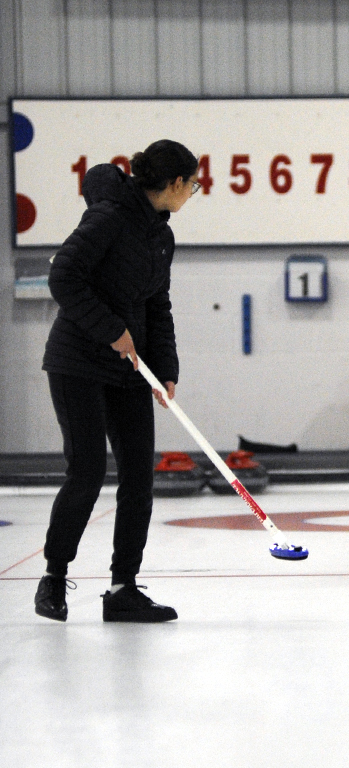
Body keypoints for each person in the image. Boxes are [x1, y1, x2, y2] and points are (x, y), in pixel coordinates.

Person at [34, 140, 200, 623]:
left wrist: (164, 368)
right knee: (86, 471)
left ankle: (123, 588)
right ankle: (53, 578)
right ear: (173, 184)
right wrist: (111, 330)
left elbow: (156, 305)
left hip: (129, 371)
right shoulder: (108, 218)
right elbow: (64, 278)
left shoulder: (161, 236)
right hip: (77, 364)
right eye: (192, 184)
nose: (192, 192)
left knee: (138, 478)